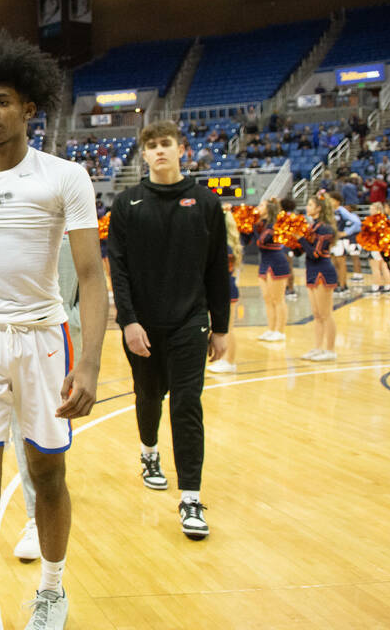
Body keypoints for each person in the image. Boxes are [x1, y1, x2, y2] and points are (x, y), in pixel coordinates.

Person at [0, 35, 107, 630]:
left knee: (48, 475)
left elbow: (90, 275)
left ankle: (53, 589)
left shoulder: (65, 178)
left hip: (43, 340)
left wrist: (88, 363)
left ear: (30, 108)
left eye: (1, 101)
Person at [108, 120, 230, 540]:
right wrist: (128, 321)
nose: (159, 151)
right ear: (143, 154)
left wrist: (221, 326)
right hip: (142, 325)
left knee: (187, 405)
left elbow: (217, 268)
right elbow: (117, 269)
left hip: (190, 323)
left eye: (166, 144)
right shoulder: (127, 204)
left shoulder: (206, 203)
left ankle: (191, 497)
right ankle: (149, 453)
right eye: (152, 145)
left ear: (181, 149)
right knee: (147, 396)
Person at [298, 194, 338, 361]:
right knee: (316, 313)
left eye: (310, 204)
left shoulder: (325, 229)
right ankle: (317, 347)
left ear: (319, 208)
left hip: (323, 270)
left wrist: (300, 238)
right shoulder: (313, 226)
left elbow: (315, 253)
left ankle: (330, 350)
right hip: (312, 270)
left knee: (326, 313)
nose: (307, 207)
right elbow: (304, 251)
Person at [207, 207, 243, 374]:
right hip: (227, 288)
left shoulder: (226, 247)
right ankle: (225, 359)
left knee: (228, 328)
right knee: (225, 328)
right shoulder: (226, 244)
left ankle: (229, 361)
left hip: (227, 290)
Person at [254, 198, 289, 342]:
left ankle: (280, 331)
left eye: (261, 205)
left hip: (277, 262)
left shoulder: (274, 225)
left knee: (278, 299)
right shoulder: (261, 224)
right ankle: (271, 329)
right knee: (267, 299)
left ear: (269, 209)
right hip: (264, 261)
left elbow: (261, 240)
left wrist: (251, 224)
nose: (258, 207)